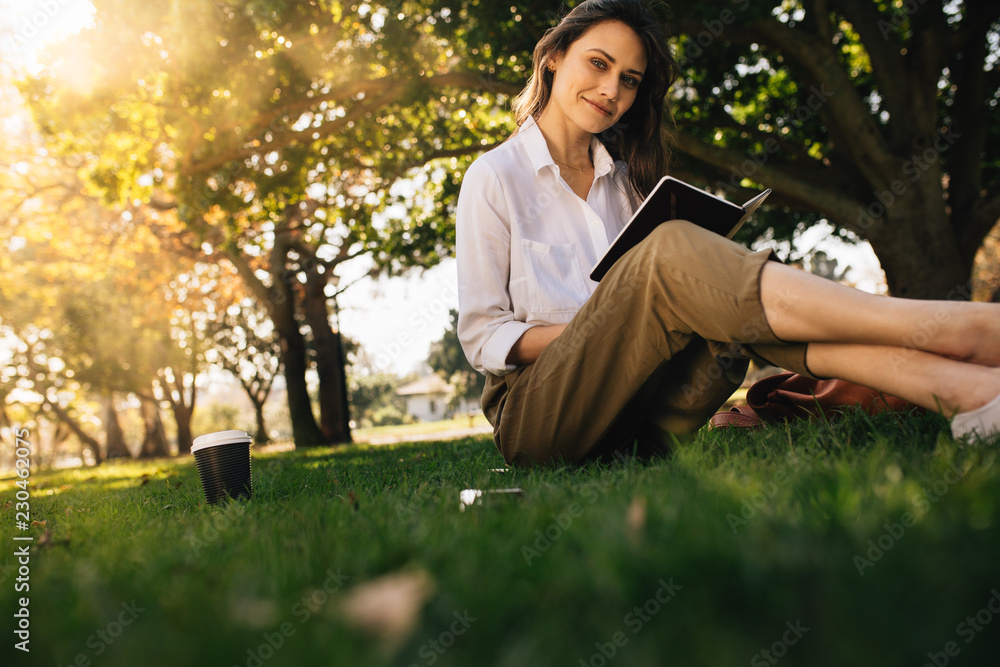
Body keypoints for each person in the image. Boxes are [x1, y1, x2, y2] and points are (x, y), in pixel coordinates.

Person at [455, 0, 1000, 468]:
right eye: (598, 63)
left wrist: (643, 320)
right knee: (670, 257)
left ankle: (970, 392)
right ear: (553, 58)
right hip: (541, 417)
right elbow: (483, 337)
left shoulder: (623, 186)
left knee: (716, 290)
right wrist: (607, 328)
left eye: (629, 79)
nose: (610, 89)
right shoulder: (494, 177)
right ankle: (964, 332)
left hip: (644, 418)